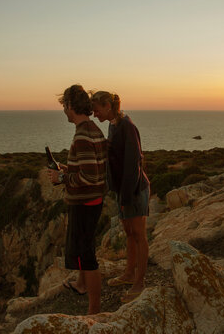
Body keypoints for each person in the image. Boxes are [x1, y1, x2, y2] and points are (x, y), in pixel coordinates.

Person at [48, 84, 107, 315]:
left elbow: (89, 176)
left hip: (85, 203)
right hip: (93, 201)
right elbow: (91, 167)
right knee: (85, 250)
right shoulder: (93, 129)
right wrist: (67, 167)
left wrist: (62, 176)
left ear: (71, 106)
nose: (64, 110)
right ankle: (82, 285)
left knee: (87, 255)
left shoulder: (83, 135)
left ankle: (94, 311)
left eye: (64, 105)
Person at [91, 90, 150, 304]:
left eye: (97, 110)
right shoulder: (113, 124)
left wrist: (126, 198)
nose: (94, 114)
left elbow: (133, 166)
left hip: (135, 190)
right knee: (128, 233)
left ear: (108, 105)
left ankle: (140, 283)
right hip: (123, 190)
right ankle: (128, 274)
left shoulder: (127, 126)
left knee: (138, 235)